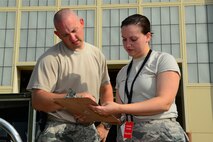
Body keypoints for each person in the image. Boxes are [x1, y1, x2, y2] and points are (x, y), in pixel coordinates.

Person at [90, 14, 189, 142]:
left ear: (148, 36)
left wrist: (119, 108)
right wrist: (97, 116)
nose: (128, 44)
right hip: (129, 132)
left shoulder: (163, 60)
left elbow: (164, 102)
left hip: (161, 133)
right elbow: (118, 112)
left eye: (133, 39)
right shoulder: (123, 72)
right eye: (124, 39)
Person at [27, 8, 114, 142]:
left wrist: (105, 126)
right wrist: (73, 99)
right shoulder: (50, 58)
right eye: (65, 35)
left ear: (81, 23)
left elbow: (106, 89)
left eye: (74, 30)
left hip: (89, 130)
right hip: (57, 130)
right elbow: (37, 100)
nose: (72, 38)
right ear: (57, 34)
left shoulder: (97, 55)